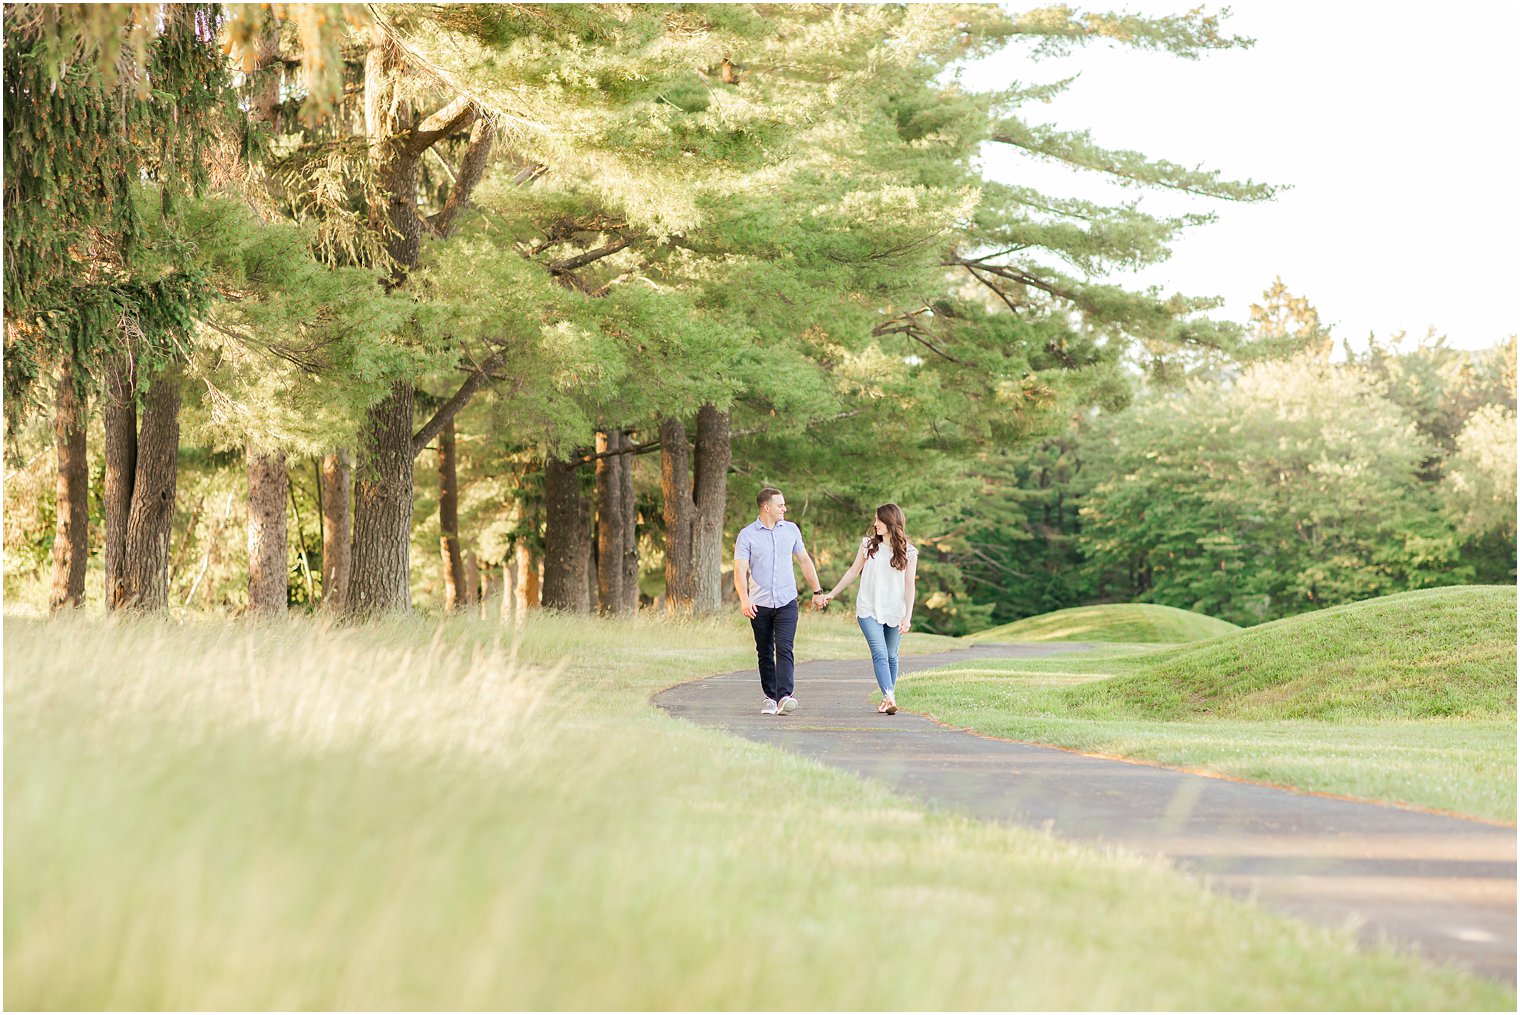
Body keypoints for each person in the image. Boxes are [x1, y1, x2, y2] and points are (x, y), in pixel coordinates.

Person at [733, 487, 827, 715]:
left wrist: (817, 591)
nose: (784, 508)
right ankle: (770, 698)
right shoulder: (747, 535)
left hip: (786, 601)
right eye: (780, 505)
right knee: (765, 651)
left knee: (785, 648)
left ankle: (785, 696)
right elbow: (740, 570)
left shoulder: (791, 530)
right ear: (767, 507)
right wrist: (744, 600)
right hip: (759, 604)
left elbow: (804, 561)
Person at [819, 503, 918, 714]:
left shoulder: (909, 551)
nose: (875, 524)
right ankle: (889, 696)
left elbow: (910, 586)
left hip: (894, 609)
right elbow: (853, 571)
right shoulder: (868, 545)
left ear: (891, 522)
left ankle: (888, 698)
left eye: (879, 520)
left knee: (892, 655)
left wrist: (907, 616)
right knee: (880, 652)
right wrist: (831, 593)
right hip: (868, 608)